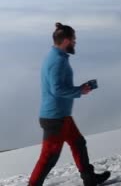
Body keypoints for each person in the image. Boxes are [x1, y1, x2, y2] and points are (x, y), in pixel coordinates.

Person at [28, 23, 110, 186]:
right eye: (73, 39)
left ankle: (89, 178)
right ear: (66, 40)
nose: (75, 43)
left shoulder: (56, 57)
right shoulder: (57, 61)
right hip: (55, 118)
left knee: (78, 143)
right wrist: (80, 91)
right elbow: (57, 89)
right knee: (49, 157)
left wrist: (79, 90)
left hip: (61, 116)